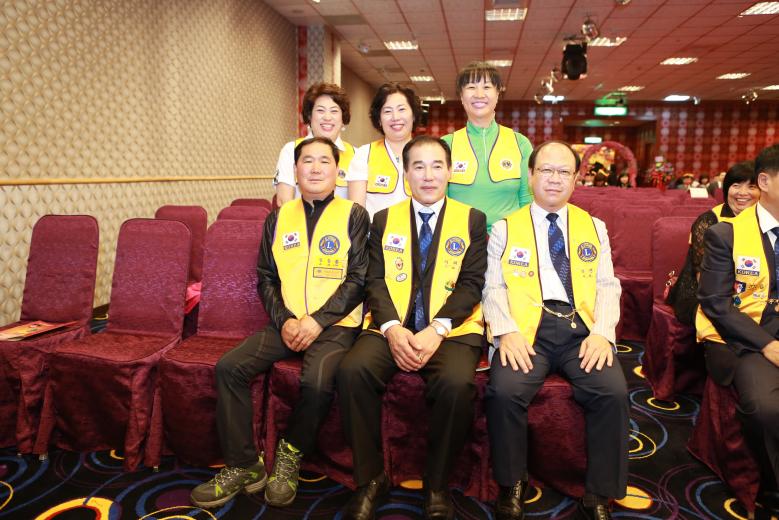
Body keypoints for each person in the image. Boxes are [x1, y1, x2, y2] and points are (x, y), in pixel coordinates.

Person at [190, 137, 369, 509]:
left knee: (317, 382)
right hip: (286, 323)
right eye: (307, 161)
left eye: (324, 161)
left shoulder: (354, 215)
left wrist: (318, 321)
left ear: (338, 171)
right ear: (295, 170)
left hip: (336, 325)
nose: (316, 168)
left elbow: (358, 279)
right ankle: (244, 465)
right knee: (229, 367)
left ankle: (290, 451)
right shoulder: (277, 218)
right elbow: (266, 278)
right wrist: (285, 320)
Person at [337, 136, 487, 520]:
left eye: (437, 166)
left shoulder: (472, 219)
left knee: (456, 384)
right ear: (406, 174)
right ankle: (370, 478)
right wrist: (391, 328)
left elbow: (472, 283)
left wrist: (437, 329)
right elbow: (374, 280)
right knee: (353, 371)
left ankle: (436, 484)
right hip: (392, 325)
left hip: (451, 329)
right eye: (418, 166)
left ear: (450, 172)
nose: (428, 175)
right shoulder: (384, 220)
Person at [483, 140, 628, 520]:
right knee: (504, 391)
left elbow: (607, 285)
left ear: (576, 179)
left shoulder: (593, 227)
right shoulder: (505, 228)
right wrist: (505, 331)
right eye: (546, 170)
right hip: (527, 329)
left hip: (581, 327)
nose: (554, 179)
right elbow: (493, 287)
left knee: (612, 392)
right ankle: (511, 483)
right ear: (530, 176)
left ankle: (599, 493)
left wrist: (602, 333)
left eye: (564, 172)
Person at [697, 144, 779, 516]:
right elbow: (715, 302)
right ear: (766, 181)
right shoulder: (725, 234)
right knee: (764, 408)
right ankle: (772, 487)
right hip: (748, 336)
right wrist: (767, 344)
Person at [442, 61, 532, 231]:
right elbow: (439, 200)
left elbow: (527, 199)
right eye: (471, 87)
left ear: (497, 94)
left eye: (487, 87)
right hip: (458, 238)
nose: (479, 94)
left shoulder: (520, 143)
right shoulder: (445, 145)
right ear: (461, 97)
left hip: (508, 237)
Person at [666, 161, 759, 325]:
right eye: (736, 185)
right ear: (726, 189)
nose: (743, 193)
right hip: (703, 293)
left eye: (751, 186)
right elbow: (705, 278)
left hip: (753, 291)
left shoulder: (764, 221)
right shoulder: (709, 221)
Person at [346, 83, 422, 219]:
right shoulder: (364, 154)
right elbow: (357, 215)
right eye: (387, 111)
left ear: (414, 115)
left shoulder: (428, 154)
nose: (395, 117)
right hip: (375, 232)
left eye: (401, 109)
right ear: (379, 119)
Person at [274, 83, 355, 205]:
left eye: (334, 111)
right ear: (309, 116)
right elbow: (283, 201)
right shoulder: (291, 150)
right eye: (320, 110)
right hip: (300, 217)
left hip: (344, 218)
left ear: (343, 118)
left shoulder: (356, 155)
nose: (327, 117)